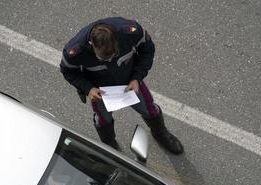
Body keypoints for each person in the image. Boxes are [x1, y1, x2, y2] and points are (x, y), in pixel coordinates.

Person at [60, 17, 183, 154]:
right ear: (91, 44)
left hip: (130, 80)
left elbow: (147, 50)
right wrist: (88, 89)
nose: (110, 60)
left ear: (117, 39)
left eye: (114, 55)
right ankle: (110, 147)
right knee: (103, 121)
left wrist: (137, 78)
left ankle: (160, 133)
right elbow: (68, 71)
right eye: (103, 59)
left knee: (149, 109)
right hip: (101, 90)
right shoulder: (75, 51)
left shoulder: (131, 32)